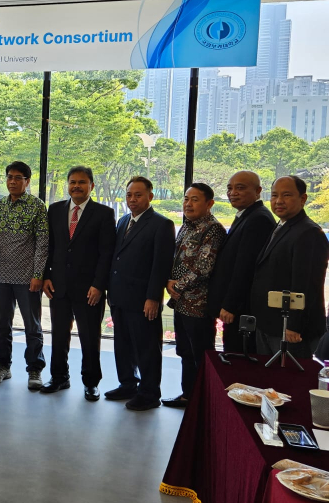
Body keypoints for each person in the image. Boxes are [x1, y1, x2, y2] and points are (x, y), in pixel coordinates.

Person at [41, 166, 116, 401]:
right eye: (72, 182)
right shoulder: (54, 210)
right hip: (59, 286)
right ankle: (59, 377)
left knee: (90, 336)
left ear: (91, 185)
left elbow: (106, 254)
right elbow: (48, 247)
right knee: (59, 334)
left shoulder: (103, 213)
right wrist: (46, 276)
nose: (76, 186)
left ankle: (91, 382)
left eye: (82, 182)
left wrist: (98, 285)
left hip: (89, 289)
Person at [105, 177, 175, 411]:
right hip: (119, 295)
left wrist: (153, 297)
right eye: (129, 195)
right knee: (122, 345)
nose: (132, 199)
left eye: (138, 195)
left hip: (143, 299)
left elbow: (160, 265)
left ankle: (149, 393)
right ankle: (127, 385)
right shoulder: (124, 220)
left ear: (150, 197)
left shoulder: (161, 224)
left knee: (146, 348)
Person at [162, 183, 226, 408]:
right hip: (181, 303)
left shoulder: (213, 229)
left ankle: (205, 402)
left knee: (201, 356)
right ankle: (188, 395)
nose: (188, 203)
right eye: (186, 199)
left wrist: (176, 286)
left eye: (195, 199)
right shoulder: (187, 225)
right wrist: (169, 283)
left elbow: (204, 267)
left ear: (209, 204)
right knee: (185, 352)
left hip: (198, 305)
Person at [250, 175, 329, 357]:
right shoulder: (281, 226)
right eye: (274, 195)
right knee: (269, 381)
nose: (278, 201)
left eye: (286, 195)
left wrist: (294, 326)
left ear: (303, 199)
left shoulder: (309, 232)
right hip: (269, 323)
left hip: (290, 330)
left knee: (288, 383)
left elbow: (307, 284)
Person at [0, 161, 49, 389]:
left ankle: (35, 370)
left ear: (27, 181)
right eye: (9, 177)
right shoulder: (0, 205)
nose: (12, 181)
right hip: (1, 275)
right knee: (2, 324)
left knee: (32, 326)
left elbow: (43, 243)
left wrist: (38, 274)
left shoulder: (37, 206)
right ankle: (2, 365)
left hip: (27, 278)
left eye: (18, 178)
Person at [205, 171, 275, 353]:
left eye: (240, 188)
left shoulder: (258, 219)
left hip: (241, 309)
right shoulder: (246, 215)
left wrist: (230, 305)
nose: (233, 192)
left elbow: (245, 268)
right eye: (230, 188)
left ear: (258, 191)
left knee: (238, 359)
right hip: (235, 309)